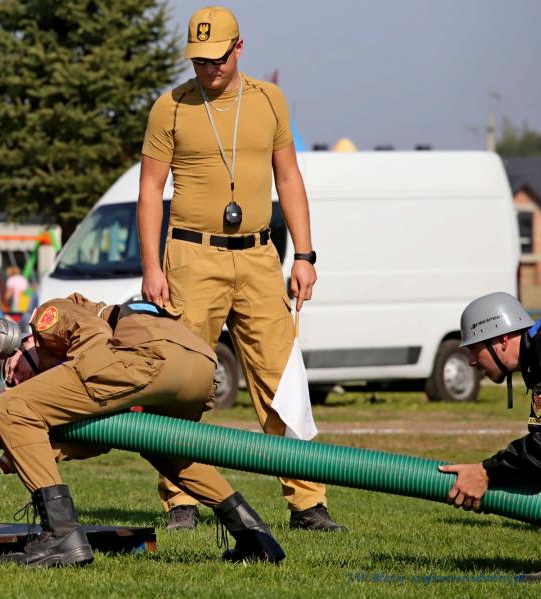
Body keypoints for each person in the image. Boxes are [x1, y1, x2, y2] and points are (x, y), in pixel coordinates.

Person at [137, 6, 344, 531]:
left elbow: (289, 178)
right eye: (199, 60)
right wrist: (151, 267)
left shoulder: (270, 100)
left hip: (258, 257)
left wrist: (304, 255)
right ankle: (180, 500)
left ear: (239, 47)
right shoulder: (170, 107)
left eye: (218, 58)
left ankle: (307, 503)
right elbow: (150, 191)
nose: (209, 69)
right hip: (190, 257)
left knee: (282, 379)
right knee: (182, 383)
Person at [0, 294, 286, 567]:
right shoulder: (104, 337)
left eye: (12, 369)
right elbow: (103, 436)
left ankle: (61, 535)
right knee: (166, 450)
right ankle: (256, 538)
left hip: (149, 354)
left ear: (26, 343)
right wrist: (30, 453)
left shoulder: (46, 319)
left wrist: (92, 378)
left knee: (11, 406)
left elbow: (94, 334)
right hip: (199, 365)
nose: (16, 381)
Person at [438, 292, 541, 583]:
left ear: (502, 340)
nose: (472, 362)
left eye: (475, 349)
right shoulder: (540, 350)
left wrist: (487, 471)